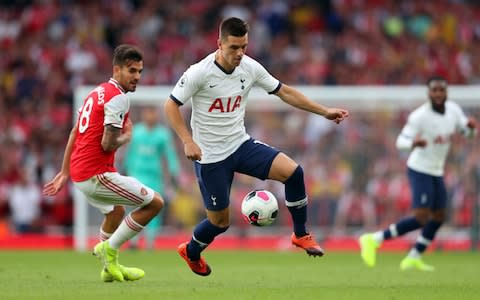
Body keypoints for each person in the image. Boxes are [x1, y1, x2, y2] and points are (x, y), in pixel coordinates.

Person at [163, 17, 349, 276]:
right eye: (234, 48)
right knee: (219, 223)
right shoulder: (199, 72)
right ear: (219, 44)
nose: (240, 53)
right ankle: (191, 251)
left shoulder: (250, 67)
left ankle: (300, 234)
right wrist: (187, 140)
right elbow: (170, 105)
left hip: (240, 144)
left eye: (244, 47)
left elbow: (284, 91)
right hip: (210, 156)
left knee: (293, 172)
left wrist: (324, 111)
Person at [43, 44, 164, 282]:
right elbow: (108, 144)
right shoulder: (117, 98)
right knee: (155, 203)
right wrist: (127, 138)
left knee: (116, 212)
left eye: (140, 71)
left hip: (80, 173)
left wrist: (64, 171)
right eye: (132, 71)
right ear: (116, 70)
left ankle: (108, 268)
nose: (137, 76)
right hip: (95, 174)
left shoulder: (96, 92)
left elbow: (74, 132)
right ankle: (109, 250)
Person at [359, 76, 477, 271]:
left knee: (439, 216)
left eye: (441, 90)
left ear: (446, 92)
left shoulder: (454, 110)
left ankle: (414, 257)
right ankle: (373, 239)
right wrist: (413, 143)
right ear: (428, 93)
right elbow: (400, 142)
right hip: (419, 169)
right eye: (434, 90)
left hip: (437, 170)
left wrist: (471, 129)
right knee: (421, 216)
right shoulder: (419, 116)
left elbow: (468, 133)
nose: (438, 93)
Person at [123, 106, 179, 250]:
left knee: (155, 208)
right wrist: (124, 168)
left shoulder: (162, 134)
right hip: (136, 175)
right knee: (135, 208)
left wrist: (174, 172)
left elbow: (170, 154)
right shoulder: (136, 132)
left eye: (153, 112)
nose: (150, 116)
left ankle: (150, 242)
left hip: (154, 177)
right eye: (148, 112)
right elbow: (129, 152)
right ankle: (134, 241)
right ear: (143, 114)